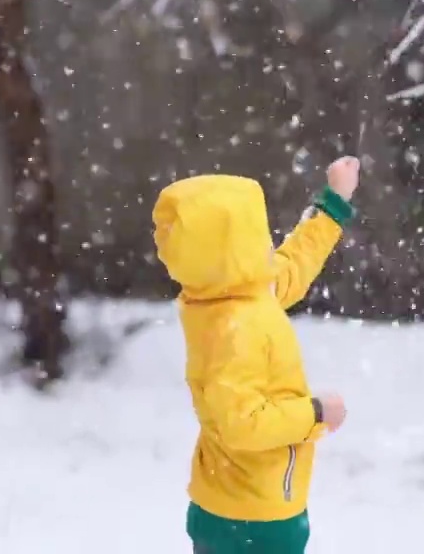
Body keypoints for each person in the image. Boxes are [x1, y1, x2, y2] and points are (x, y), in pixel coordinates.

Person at [151, 157, 360, 554]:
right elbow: (242, 423)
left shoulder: (225, 296)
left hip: (231, 508)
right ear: (233, 252)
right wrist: (315, 413)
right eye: (255, 236)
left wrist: (334, 202)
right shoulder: (237, 329)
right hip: (253, 522)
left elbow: (293, 263)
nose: (268, 244)